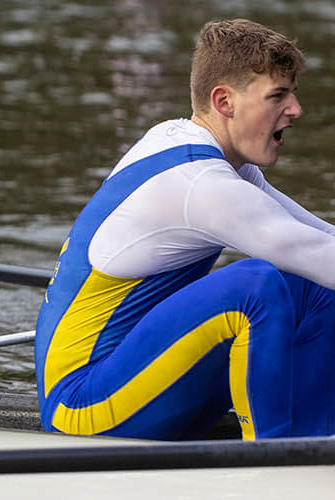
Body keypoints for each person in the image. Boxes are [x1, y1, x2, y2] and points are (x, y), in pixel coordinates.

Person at [35, 19, 335, 440]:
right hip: (81, 406)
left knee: (311, 287)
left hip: (139, 381)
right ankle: (273, 458)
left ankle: (316, 440)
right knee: (256, 285)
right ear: (224, 101)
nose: (295, 110)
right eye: (277, 96)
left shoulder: (202, 152)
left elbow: (322, 239)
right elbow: (316, 253)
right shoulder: (199, 182)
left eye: (293, 94)